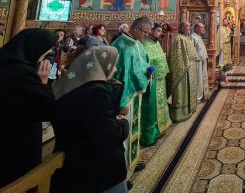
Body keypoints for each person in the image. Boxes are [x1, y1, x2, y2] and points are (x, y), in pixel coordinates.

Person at [50, 46, 129, 193]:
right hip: (97, 172)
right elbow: (108, 138)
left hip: (75, 165)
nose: (116, 69)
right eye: (113, 64)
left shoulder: (71, 85)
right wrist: (123, 124)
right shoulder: (95, 92)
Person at [0, 29, 57, 188]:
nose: (44, 57)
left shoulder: (5, 63)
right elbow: (46, 111)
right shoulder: (24, 74)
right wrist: (43, 84)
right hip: (16, 140)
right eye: (43, 53)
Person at [112, 16, 153, 179]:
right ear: (136, 29)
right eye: (145, 32)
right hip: (125, 96)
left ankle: (132, 161)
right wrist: (121, 101)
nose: (147, 35)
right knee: (123, 134)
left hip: (135, 94)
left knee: (133, 129)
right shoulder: (121, 45)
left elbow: (141, 64)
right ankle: (123, 173)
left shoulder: (137, 43)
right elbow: (120, 75)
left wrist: (148, 69)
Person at [140, 23, 172, 146]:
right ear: (151, 31)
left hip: (161, 79)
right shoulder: (144, 44)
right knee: (152, 106)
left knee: (161, 103)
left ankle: (161, 128)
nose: (160, 33)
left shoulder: (156, 42)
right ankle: (151, 132)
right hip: (152, 81)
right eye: (158, 31)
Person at [167, 21, 199, 122]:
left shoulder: (186, 38)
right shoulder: (179, 39)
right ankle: (180, 114)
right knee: (182, 92)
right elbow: (178, 58)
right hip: (183, 71)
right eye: (187, 26)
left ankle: (188, 110)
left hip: (189, 70)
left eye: (190, 26)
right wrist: (183, 68)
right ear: (181, 28)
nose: (189, 28)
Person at [189, 23, 209, 102]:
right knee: (198, 79)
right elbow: (191, 51)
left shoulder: (198, 36)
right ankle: (197, 97)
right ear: (197, 28)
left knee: (201, 79)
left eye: (203, 27)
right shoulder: (192, 37)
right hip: (196, 62)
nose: (203, 29)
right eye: (202, 27)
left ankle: (201, 95)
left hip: (201, 61)